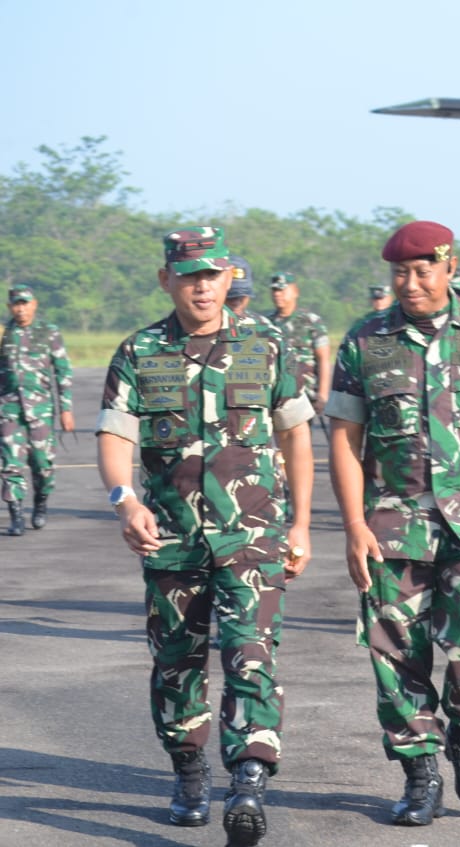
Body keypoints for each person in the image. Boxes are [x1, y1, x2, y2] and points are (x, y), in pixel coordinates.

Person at [96, 226, 314, 847]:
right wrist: (123, 499)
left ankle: (248, 777)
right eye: (189, 275)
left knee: (252, 651)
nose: (202, 285)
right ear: (167, 279)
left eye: (212, 275)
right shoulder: (139, 351)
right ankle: (189, 770)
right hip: (171, 537)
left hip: (253, 535)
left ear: (228, 279)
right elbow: (115, 435)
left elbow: (295, 432)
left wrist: (300, 522)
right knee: (176, 662)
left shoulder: (267, 343)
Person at [326, 220, 460, 826]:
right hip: (394, 523)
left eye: (422, 271)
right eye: (399, 272)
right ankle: (420, 772)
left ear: (450, 267)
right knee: (396, 654)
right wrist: (353, 525)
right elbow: (344, 439)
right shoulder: (367, 340)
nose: (410, 283)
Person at [0, 284, 73, 536]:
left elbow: (62, 371)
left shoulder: (49, 333)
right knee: (10, 464)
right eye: (16, 304)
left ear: (34, 304)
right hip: (9, 409)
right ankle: (16, 516)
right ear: (10, 307)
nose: (20, 308)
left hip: (40, 410)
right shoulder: (3, 334)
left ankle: (40, 504)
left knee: (42, 464)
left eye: (25, 303)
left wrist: (66, 409)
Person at [269, 271, 331, 415]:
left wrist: (322, 395)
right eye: (274, 290)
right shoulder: (267, 324)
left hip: (304, 395)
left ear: (295, 291)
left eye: (282, 289)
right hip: (274, 394)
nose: (277, 294)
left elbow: (323, 359)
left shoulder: (311, 322)